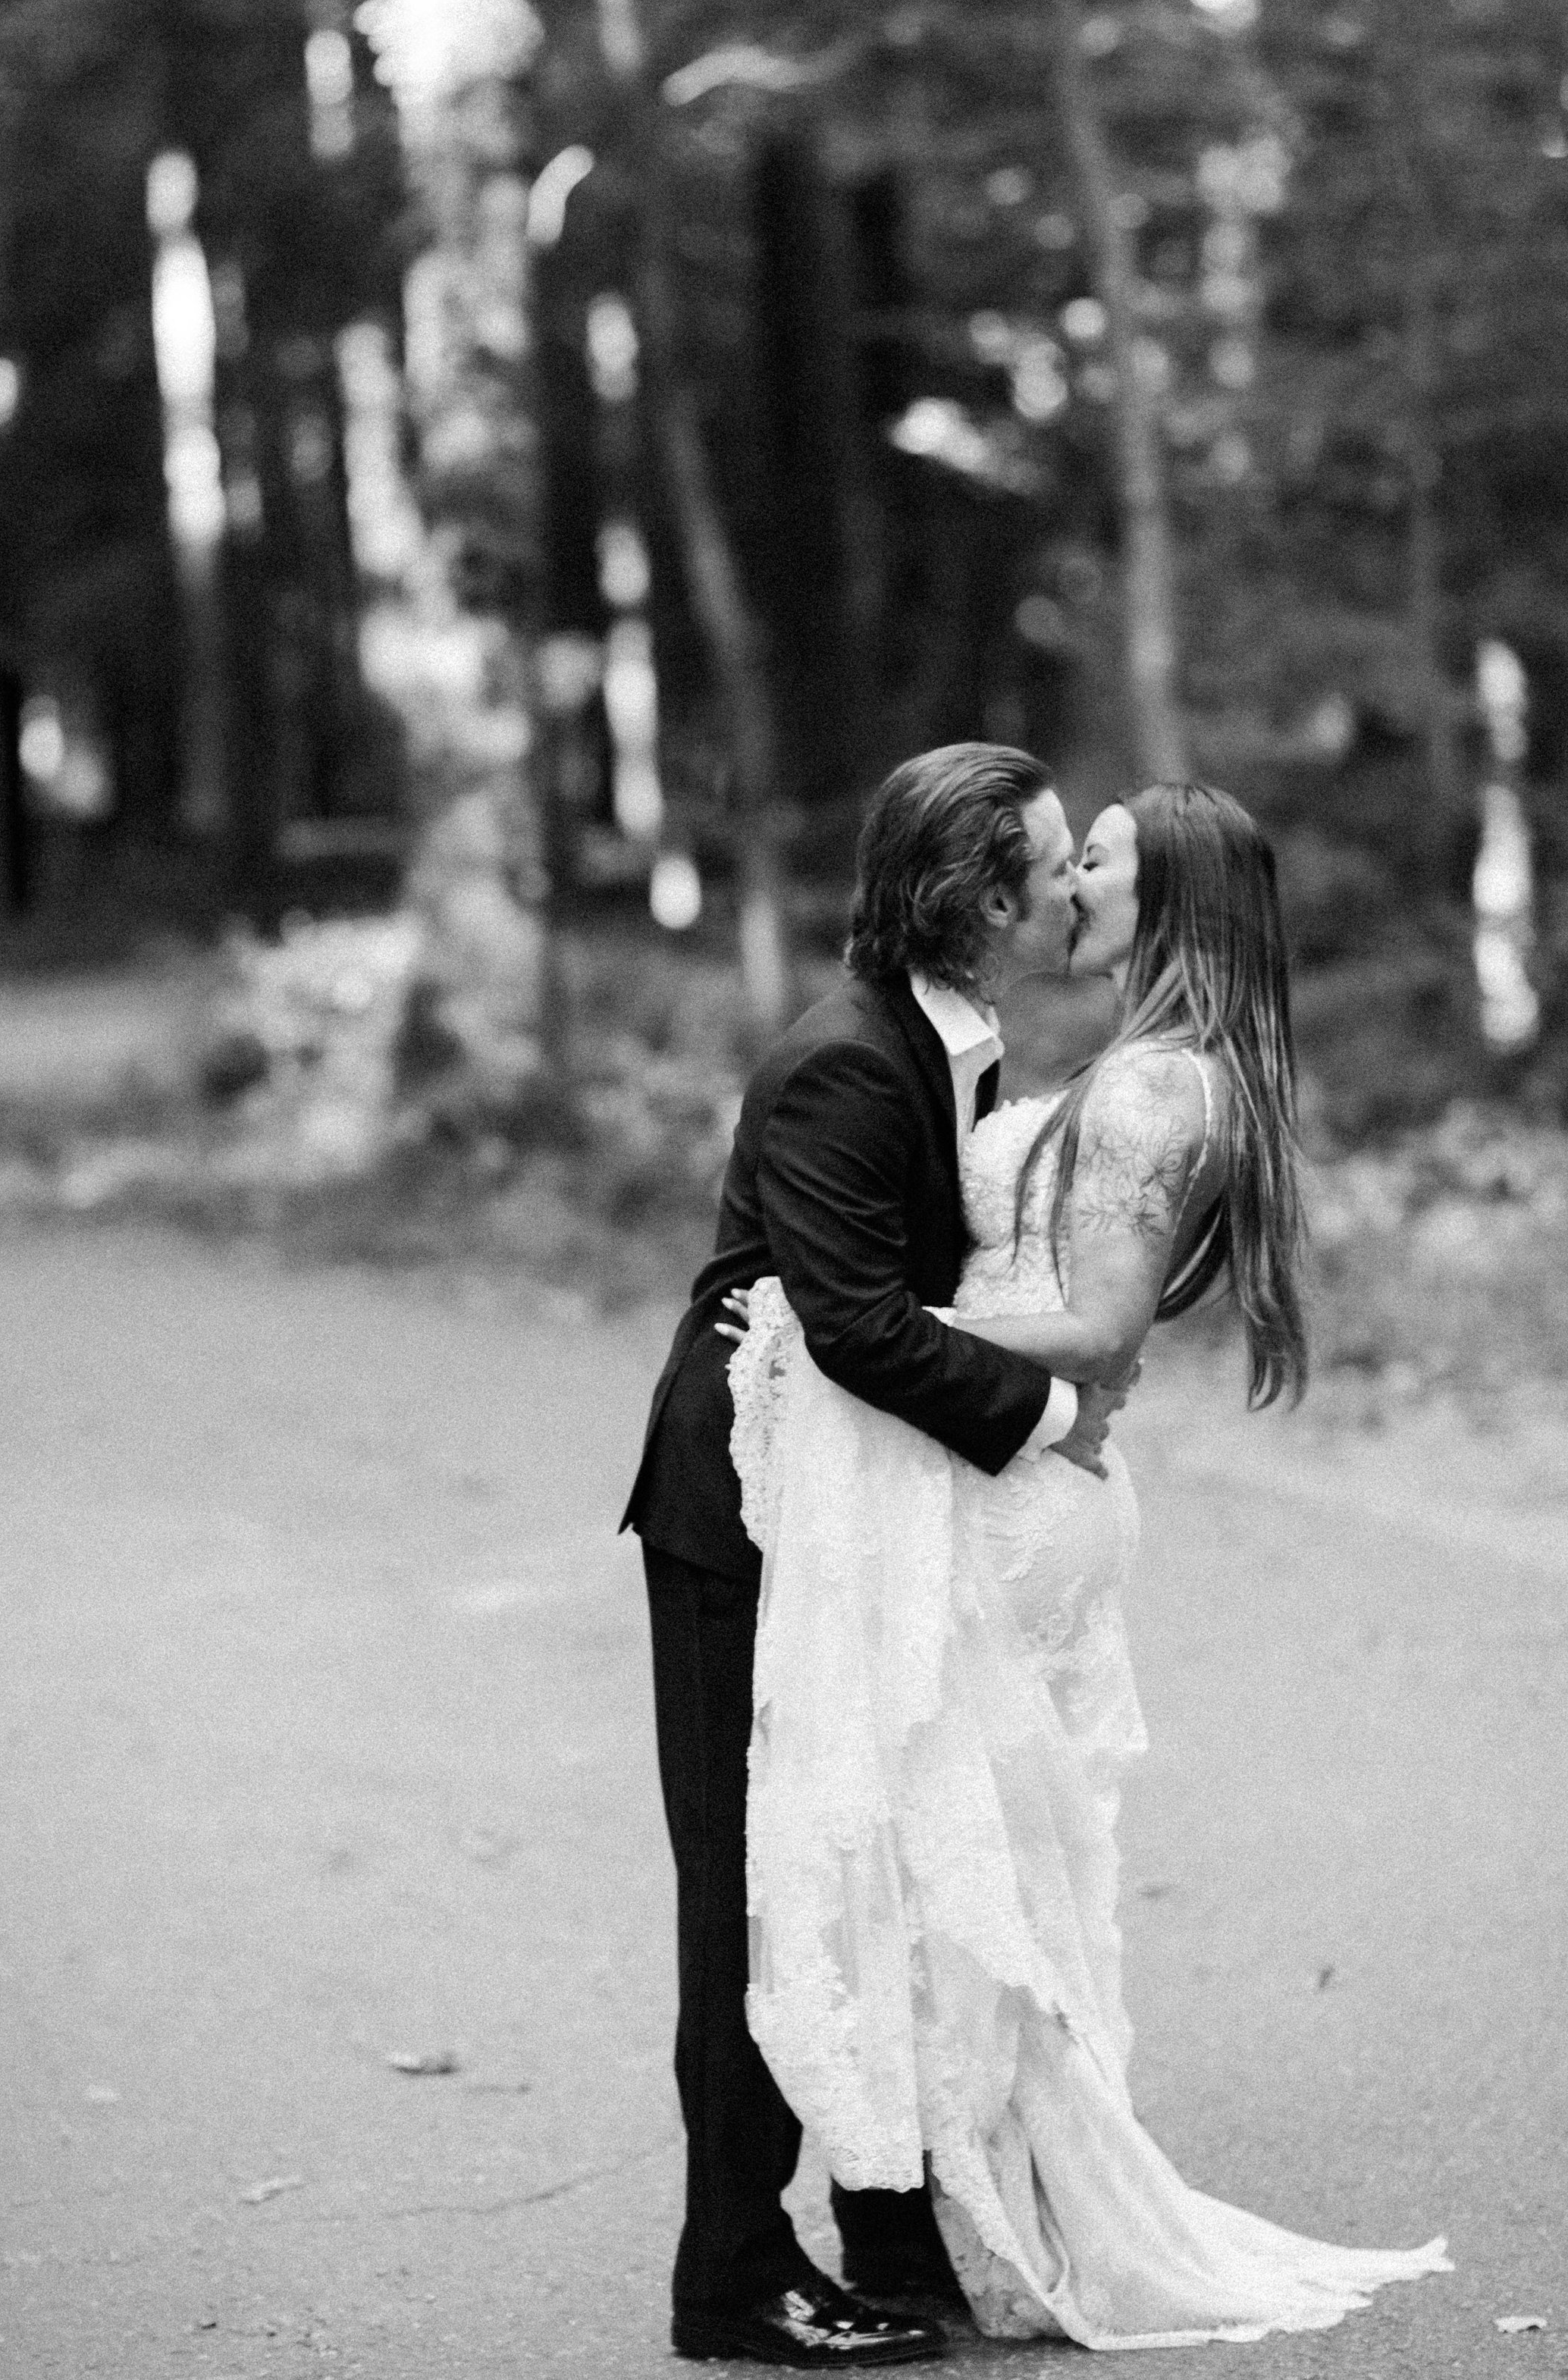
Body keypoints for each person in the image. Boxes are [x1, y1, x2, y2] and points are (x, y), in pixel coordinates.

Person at [722, 781, 1453, 2350]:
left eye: (1096, 859)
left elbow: (1100, 1329)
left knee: (955, 1855)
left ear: (1160, 898)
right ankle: (969, 2206)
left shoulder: (1136, 1094)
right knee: (966, 1855)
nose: (1071, 880)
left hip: (1016, 1480)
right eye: (1061, 860)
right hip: (1000, 1461)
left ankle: (991, 2209)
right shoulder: (1123, 1068)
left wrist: (832, 1325)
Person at [622, 744, 1128, 2368]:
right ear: (979, 896)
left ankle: (888, 2231)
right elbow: (845, 1328)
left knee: (872, 1860)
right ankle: (730, 2276)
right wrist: (1054, 1411)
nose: (1068, 888)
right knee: (754, 1890)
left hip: (847, 1517)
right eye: (1049, 865)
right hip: (742, 1510)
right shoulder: (848, 1061)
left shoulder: (944, 1045)